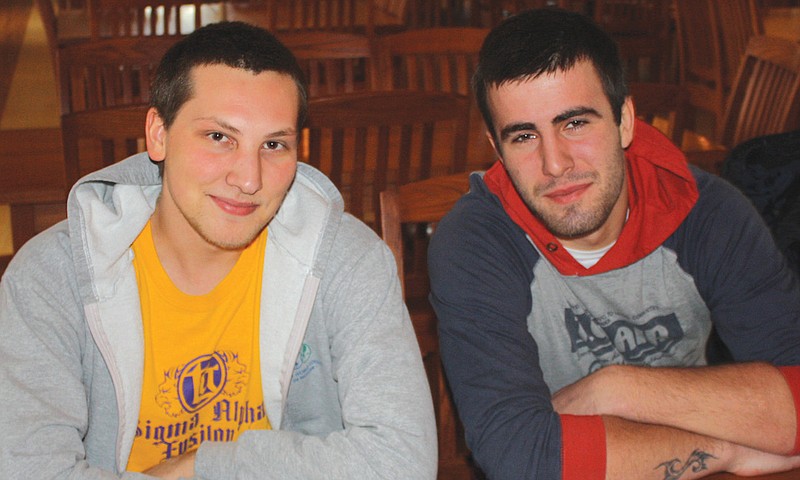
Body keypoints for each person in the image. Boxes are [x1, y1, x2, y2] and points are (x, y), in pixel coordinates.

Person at [0, 21, 436, 479]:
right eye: (218, 138)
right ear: (158, 134)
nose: (249, 179)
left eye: (273, 144)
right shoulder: (52, 277)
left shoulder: (348, 261)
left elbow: (403, 462)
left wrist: (201, 467)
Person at [427, 8, 800, 480]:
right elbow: (520, 458)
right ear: (496, 150)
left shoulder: (707, 214)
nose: (555, 164)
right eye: (523, 136)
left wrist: (619, 388)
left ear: (625, 120)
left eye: (575, 123)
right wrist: (725, 451)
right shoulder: (475, 244)